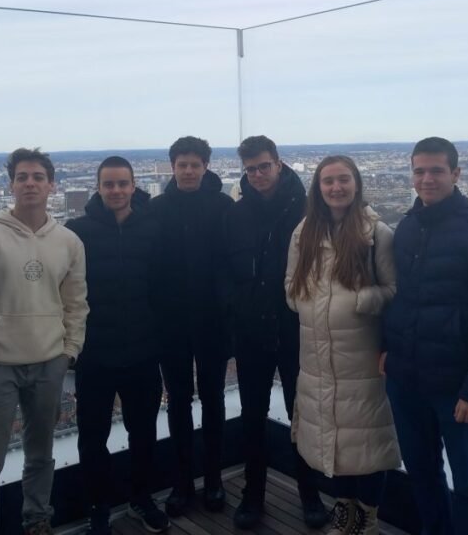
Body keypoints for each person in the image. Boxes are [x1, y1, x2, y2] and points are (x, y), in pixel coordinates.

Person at [0, 148, 88, 535]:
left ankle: (37, 521)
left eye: (38, 177)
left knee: (41, 455)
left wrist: (68, 352)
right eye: (22, 177)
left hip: (49, 362)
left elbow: (76, 303)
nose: (30, 184)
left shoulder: (69, 242)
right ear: (11, 185)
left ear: (51, 185)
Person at [382, 137, 468, 535]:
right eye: (419, 171)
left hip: (456, 388)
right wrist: (386, 350)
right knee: (422, 473)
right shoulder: (407, 228)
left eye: (436, 171)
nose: (427, 179)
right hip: (406, 380)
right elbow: (398, 298)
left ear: (456, 174)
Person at [286, 155, 399, 535]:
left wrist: (358, 301)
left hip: (363, 359)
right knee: (331, 441)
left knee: (366, 443)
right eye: (328, 181)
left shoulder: (376, 233)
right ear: (317, 188)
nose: (336, 187)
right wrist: (304, 304)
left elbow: (393, 290)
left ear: (356, 183)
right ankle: (345, 511)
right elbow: (290, 285)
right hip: (316, 357)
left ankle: (367, 518)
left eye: (343, 179)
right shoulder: (304, 232)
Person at [226, 135, 328, 529]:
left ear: (279, 164)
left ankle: (309, 493)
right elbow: (225, 269)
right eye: (250, 169)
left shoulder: (308, 210)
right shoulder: (236, 214)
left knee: (301, 415)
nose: (257, 175)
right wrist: (237, 309)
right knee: (252, 416)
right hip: (251, 331)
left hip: (295, 330)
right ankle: (252, 494)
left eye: (263, 166)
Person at [65, 157, 168, 534]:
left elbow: (163, 287)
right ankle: (99, 508)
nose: (116, 190)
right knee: (93, 438)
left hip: (143, 351)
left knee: (144, 433)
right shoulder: (76, 232)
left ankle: (141, 497)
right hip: (95, 354)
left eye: (122, 183)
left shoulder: (153, 228)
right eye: (109, 184)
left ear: (133, 185)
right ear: (98, 187)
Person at [149, 136, 234, 517]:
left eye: (194, 165)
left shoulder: (224, 207)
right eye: (182, 165)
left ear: (205, 167)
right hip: (171, 324)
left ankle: (213, 479)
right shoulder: (155, 209)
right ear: (172, 167)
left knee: (213, 400)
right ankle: (183, 481)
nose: (187, 171)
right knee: (178, 402)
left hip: (212, 322)